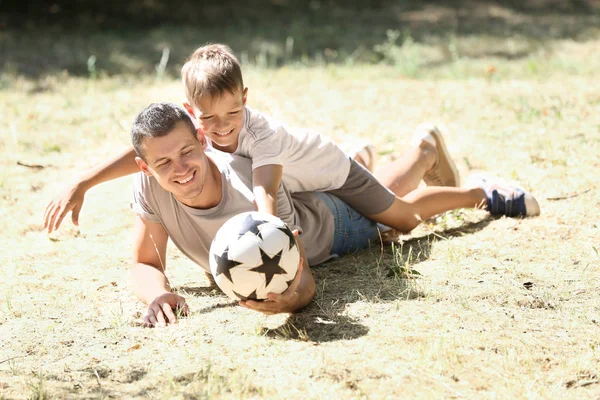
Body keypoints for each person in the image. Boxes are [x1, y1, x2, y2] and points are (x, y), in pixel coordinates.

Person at [111, 102, 537, 327]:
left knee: (396, 217)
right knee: (380, 189)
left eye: (187, 152)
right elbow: (145, 263)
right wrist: (157, 295)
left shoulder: (255, 195)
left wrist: (288, 303)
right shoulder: (148, 187)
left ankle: (478, 191)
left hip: (330, 228)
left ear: (202, 141)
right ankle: (407, 153)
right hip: (315, 197)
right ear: (145, 167)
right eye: (164, 163)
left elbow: (307, 283)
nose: (180, 169)